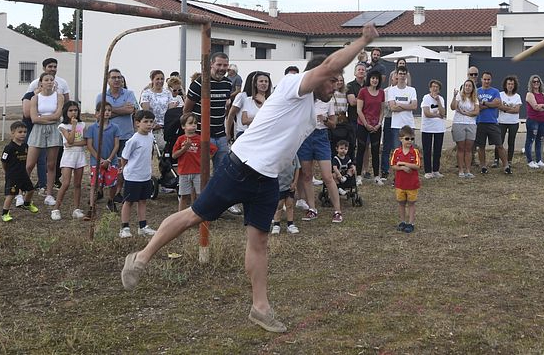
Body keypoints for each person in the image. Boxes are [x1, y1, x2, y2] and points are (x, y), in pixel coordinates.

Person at [120, 22, 378, 334]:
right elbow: (328, 65)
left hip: (267, 179)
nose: (337, 84)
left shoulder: (314, 107)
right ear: (318, 75)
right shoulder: (292, 86)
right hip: (240, 166)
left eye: (340, 82)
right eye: (333, 79)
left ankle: (260, 307)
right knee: (195, 215)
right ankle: (141, 258)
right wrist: (362, 40)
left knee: (260, 241)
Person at [297, 91, 342, 223]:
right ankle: (312, 208)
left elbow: (334, 124)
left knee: (327, 176)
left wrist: (325, 119)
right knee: (306, 175)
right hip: (305, 137)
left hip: (321, 136)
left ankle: (337, 210)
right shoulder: (304, 99)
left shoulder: (328, 100)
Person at [184, 54, 232, 174]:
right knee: (199, 170)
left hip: (220, 134)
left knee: (222, 170)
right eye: (219, 64)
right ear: (211, 64)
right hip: (201, 134)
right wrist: (190, 133)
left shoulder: (228, 84)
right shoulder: (199, 83)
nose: (222, 68)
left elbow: (224, 107)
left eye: (225, 65)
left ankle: (217, 192)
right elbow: (187, 110)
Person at [95, 68, 138, 199]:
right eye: (113, 77)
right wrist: (122, 109)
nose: (117, 80)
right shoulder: (101, 95)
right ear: (107, 80)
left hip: (125, 135)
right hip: (107, 134)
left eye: (119, 77)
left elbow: (130, 110)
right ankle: (100, 189)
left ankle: (118, 191)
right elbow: (100, 115)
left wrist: (110, 110)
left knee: (122, 165)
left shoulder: (129, 93)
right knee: (104, 163)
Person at [118, 110, 157, 238]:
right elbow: (124, 157)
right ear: (137, 123)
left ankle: (142, 226)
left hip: (145, 175)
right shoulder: (133, 140)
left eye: (151, 122)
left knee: (142, 201)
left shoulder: (151, 136)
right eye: (146, 122)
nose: (149, 124)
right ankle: (125, 227)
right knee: (128, 201)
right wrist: (125, 169)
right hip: (133, 176)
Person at [26, 72, 63, 206]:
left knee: (51, 164)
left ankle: (48, 194)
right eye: (46, 80)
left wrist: (43, 119)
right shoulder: (35, 98)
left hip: (54, 130)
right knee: (30, 164)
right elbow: (34, 118)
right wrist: (47, 119)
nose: (49, 82)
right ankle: (20, 192)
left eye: (51, 80)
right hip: (38, 131)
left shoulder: (59, 97)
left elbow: (58, 115)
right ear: (41, 82)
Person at [172, 112, 217, 211]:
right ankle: (181, 217)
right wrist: (184, 149)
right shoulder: (180, 139)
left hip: (198, 172)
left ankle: (198, 216)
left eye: (195, 123)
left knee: (199, 195)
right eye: (190, 123)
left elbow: (213, 149)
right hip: (184, 172)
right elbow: (174, 155)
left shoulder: (201, 138)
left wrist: (206, 159)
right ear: (183, 126)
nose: (193, 126)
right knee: (184, 196)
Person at [52, 100, 88, 220]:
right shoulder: (62, 126)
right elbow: (69, 140)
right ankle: (56, 208)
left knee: (77, 184)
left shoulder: (82, 125)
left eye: (75, 110)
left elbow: (85, 141)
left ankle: (76, 209)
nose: (73, 113)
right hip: (68, 157)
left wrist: (73, 143)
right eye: (70, 110)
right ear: (65, 112)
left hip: (80, 156)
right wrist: (73, 126)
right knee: (66, 183)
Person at [85, 102, 121, 213]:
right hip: (96, 162)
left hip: (112, 161)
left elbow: (116, 145)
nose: (107, 112)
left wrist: (109, 159)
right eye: (104, 110)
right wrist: (100, 160)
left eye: (109, 110)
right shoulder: (92, 128)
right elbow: (89, 146)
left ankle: (110, 201)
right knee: (94, 184)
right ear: (97, 113)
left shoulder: (115, 127)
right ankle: (91, 207)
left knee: (113, 183)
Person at [0, 121, 39, 221]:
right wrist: (8, 172)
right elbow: (4, 161)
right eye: (20, 132)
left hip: (23, 174)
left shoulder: (25, 146)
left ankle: (26, 204)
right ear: (12, 133)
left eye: (25, 132)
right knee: (11, 194)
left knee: (30, 190)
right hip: (13, 176)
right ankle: (5, 213)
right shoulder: (9, 148)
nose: (23, 134)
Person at [140, 70, 182, 153]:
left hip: (165, 127)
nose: (160, 81)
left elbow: (170, 111)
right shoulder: (146, 93)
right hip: (151, 127)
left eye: (162, 79)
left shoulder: (167, 93)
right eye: (157, 79)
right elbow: (146, 111)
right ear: (152, 80)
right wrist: (153, 124)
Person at [475, 72, 508, 174]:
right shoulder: (477, 91)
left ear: (491, 80)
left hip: (492, 122)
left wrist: (484, 103)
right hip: (480, 122)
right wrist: (490, 104)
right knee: (481, 146)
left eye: (488, 79)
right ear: (481, 79)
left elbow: (498, 103)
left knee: (499, 145)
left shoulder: (495, 91)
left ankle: (506, 166)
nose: (486, 81)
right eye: (485, 79)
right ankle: (483, 166)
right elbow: (477, 106)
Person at [356, 69, 384, 183]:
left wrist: (379, 123)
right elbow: (359, 109)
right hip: (363, 125)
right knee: (361, 150)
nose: (375, 80)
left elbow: (382, 110)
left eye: (377, 78)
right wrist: (366, 124)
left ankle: (377, 176)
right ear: (369, 79)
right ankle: (358, 175)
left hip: (376, 126)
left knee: (375, 151)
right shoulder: (363, 91)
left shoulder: (381, 92)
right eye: (373, 78)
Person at [391, 125, 421, 233]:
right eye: (407, 138)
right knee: (401, 202)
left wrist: (404, 163)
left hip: (412, 184)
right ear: (401, 139)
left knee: (411, 203)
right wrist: (402, 168)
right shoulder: (396, 152)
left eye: (412, 139)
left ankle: (411, 222)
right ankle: (403, 221)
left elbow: (417, 166)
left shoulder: (415, 152)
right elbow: (393, 165)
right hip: (400, 183)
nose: (410, 141)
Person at [451, 79, 479, 178]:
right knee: (461, 148)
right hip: (459, 123)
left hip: (471, 124)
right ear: (463, 87)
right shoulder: (459, 96)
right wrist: (454, 96)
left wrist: (465, 113)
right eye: (466, 85)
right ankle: (461, 170)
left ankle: (468, 170)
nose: (467, 87)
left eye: (469, 86)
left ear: (472, 88)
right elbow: (453, 107)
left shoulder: (474, 98)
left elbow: (476, 112)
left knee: (468, 148)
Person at [420, 79, 446, 179]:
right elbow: (426, 113)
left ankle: (436, 170)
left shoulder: (441, 99)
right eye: (433, 86)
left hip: (439, 128)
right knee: (427, 150)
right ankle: (427, 171)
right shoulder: (426, 98)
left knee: (437, 150)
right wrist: (436, 115)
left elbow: (443, 113)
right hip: (427, 128)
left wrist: (438, 101)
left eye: (437, 87)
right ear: (430, 88)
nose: (435, 88)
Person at [524, 75, 544, 169]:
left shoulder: (543, 94)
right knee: (530, 141)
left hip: (542, 120)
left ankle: (539, 160)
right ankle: (530, 161)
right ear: (531, 83)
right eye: (534, 82)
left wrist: (541, 105)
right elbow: (535, 107)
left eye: (538, 81)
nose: (536, 83)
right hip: (533, 120)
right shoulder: (529, 94)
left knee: (539, 140)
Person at [498, 76, 522, 170]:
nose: (510, 86)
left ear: (514, 85)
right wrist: (510, 108)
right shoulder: (500, 95)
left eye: (512, 84)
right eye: (508, 84)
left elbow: (517, 110)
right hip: (502, 122)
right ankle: (497, 160)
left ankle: (509, 160)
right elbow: (499, 107)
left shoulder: (517, 96)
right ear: (505, 85)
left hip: (513, 122)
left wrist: (505, 109)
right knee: (499, 142)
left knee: (511, 142)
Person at [271, 158, 300, 235]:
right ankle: (276, 224)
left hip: (290, 186)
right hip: (279, 186)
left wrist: (295, 182)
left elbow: (297, 168)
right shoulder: (279, 155)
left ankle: (290, 224)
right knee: (279, 206)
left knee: (289, 205)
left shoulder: (294, 155)